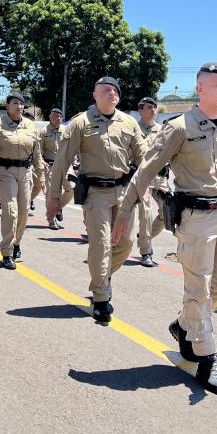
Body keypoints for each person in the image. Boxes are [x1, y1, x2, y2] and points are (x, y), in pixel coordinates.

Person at [112, 62, 217, 397]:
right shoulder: (179, 127)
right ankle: (206, 356)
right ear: (199, 89)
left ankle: (184, 325)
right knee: (197, 289)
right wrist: (125, 211)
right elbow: (147, 169)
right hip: (195, 217)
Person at [46, 77, 146, 323]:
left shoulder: (129, 122)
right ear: (95, 95)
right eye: (105, 90)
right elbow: (62, 162)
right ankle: (101, 298)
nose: (111, 93)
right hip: (95, 194)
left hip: (124, 192)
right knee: (100, 244)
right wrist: (54, 197)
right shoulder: (81, 123)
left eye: (114, 91)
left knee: (125, 244)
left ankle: (103, 276)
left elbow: (144, 155)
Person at [0, 93, 44, 269]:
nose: (19, 107)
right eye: (15, 103)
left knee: (23, 212)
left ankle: (17, 242)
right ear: (7, 106)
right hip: (5, 172)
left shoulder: (30, 125)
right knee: (10, 210)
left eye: (22, 104)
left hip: (25, 172)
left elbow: (37, 153)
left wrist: (42, 176)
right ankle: (7, 251)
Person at [134, 97, 169, 267]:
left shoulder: (163, 131)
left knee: (166, 214)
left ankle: (143, 238)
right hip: (142, 178)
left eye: (155, 107)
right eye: (149, 107)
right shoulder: (133, 129)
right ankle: (146, 251)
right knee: (145, 214)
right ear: (140, 111)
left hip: (160, 178)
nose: (153, 110)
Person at [32, 108, 73, 230]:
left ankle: (58, 208)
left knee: (71, 187)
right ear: (50, 117)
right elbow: (38, 151)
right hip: (49, 166)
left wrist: (74, 163)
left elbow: (71, 147)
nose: (58, 118)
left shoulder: (66, 131)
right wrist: (42, 163)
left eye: (60, 116)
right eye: (55, 116)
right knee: (50, 194)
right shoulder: (43, 132)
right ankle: (51, 219)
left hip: (65, 165)